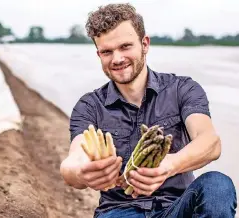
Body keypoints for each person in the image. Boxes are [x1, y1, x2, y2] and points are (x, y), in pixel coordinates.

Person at [60, 3, 237, 218]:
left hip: (177, 208)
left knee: (218, 185)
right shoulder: (89, 105)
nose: (117, 59)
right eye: (107, 51)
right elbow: (73, 160)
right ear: (99, 54)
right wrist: (81, 173)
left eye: (125, 46)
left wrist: (170, 164)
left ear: (144, 44)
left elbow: (210, 141)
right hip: (119, 211)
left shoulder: (182, 88)